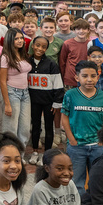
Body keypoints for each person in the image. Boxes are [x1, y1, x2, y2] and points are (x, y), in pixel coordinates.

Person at [61, 60, 103, 194]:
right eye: (84, 76)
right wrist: (71, 139)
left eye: (93, 76)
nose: (89, 79)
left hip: (97, 146)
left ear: (98, 76)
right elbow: (64, 117)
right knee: (76, 181)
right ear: (77, 77)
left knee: (98, 179)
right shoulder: (70, 95)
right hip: (76, 146)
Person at [27, 36, 64, 166]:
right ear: (33, 45)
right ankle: (35, 151)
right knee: (35, 127)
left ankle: (46, 154)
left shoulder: (51, 64)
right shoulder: (27, 63)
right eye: (37, 45)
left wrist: (56, 102)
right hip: (33, 101)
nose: (40, 48)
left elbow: (58, 84)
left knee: (49, 127)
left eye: (43, 47)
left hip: (48, 102)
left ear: (46, 49)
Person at [0, 28, 31, 147]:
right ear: (10, 40)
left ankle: (20, 156)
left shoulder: (23, 54)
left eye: (21, 38)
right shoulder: (5, 57)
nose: (20, 40)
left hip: (25, 94)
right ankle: (8, 153)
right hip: (12, 92)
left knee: (25, 129)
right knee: (11, 128)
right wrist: (7, 103)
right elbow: (2, 81)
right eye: (16, 38)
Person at [59, 18, 90, 89]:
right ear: (74, 30)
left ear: (88, 30)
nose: (81, 31)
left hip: (86, 80)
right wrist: (64, 78)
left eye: (84, 29)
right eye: (78, 29)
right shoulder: (67, 43)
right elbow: (62, 62)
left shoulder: (90, 44)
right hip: (70, 79)